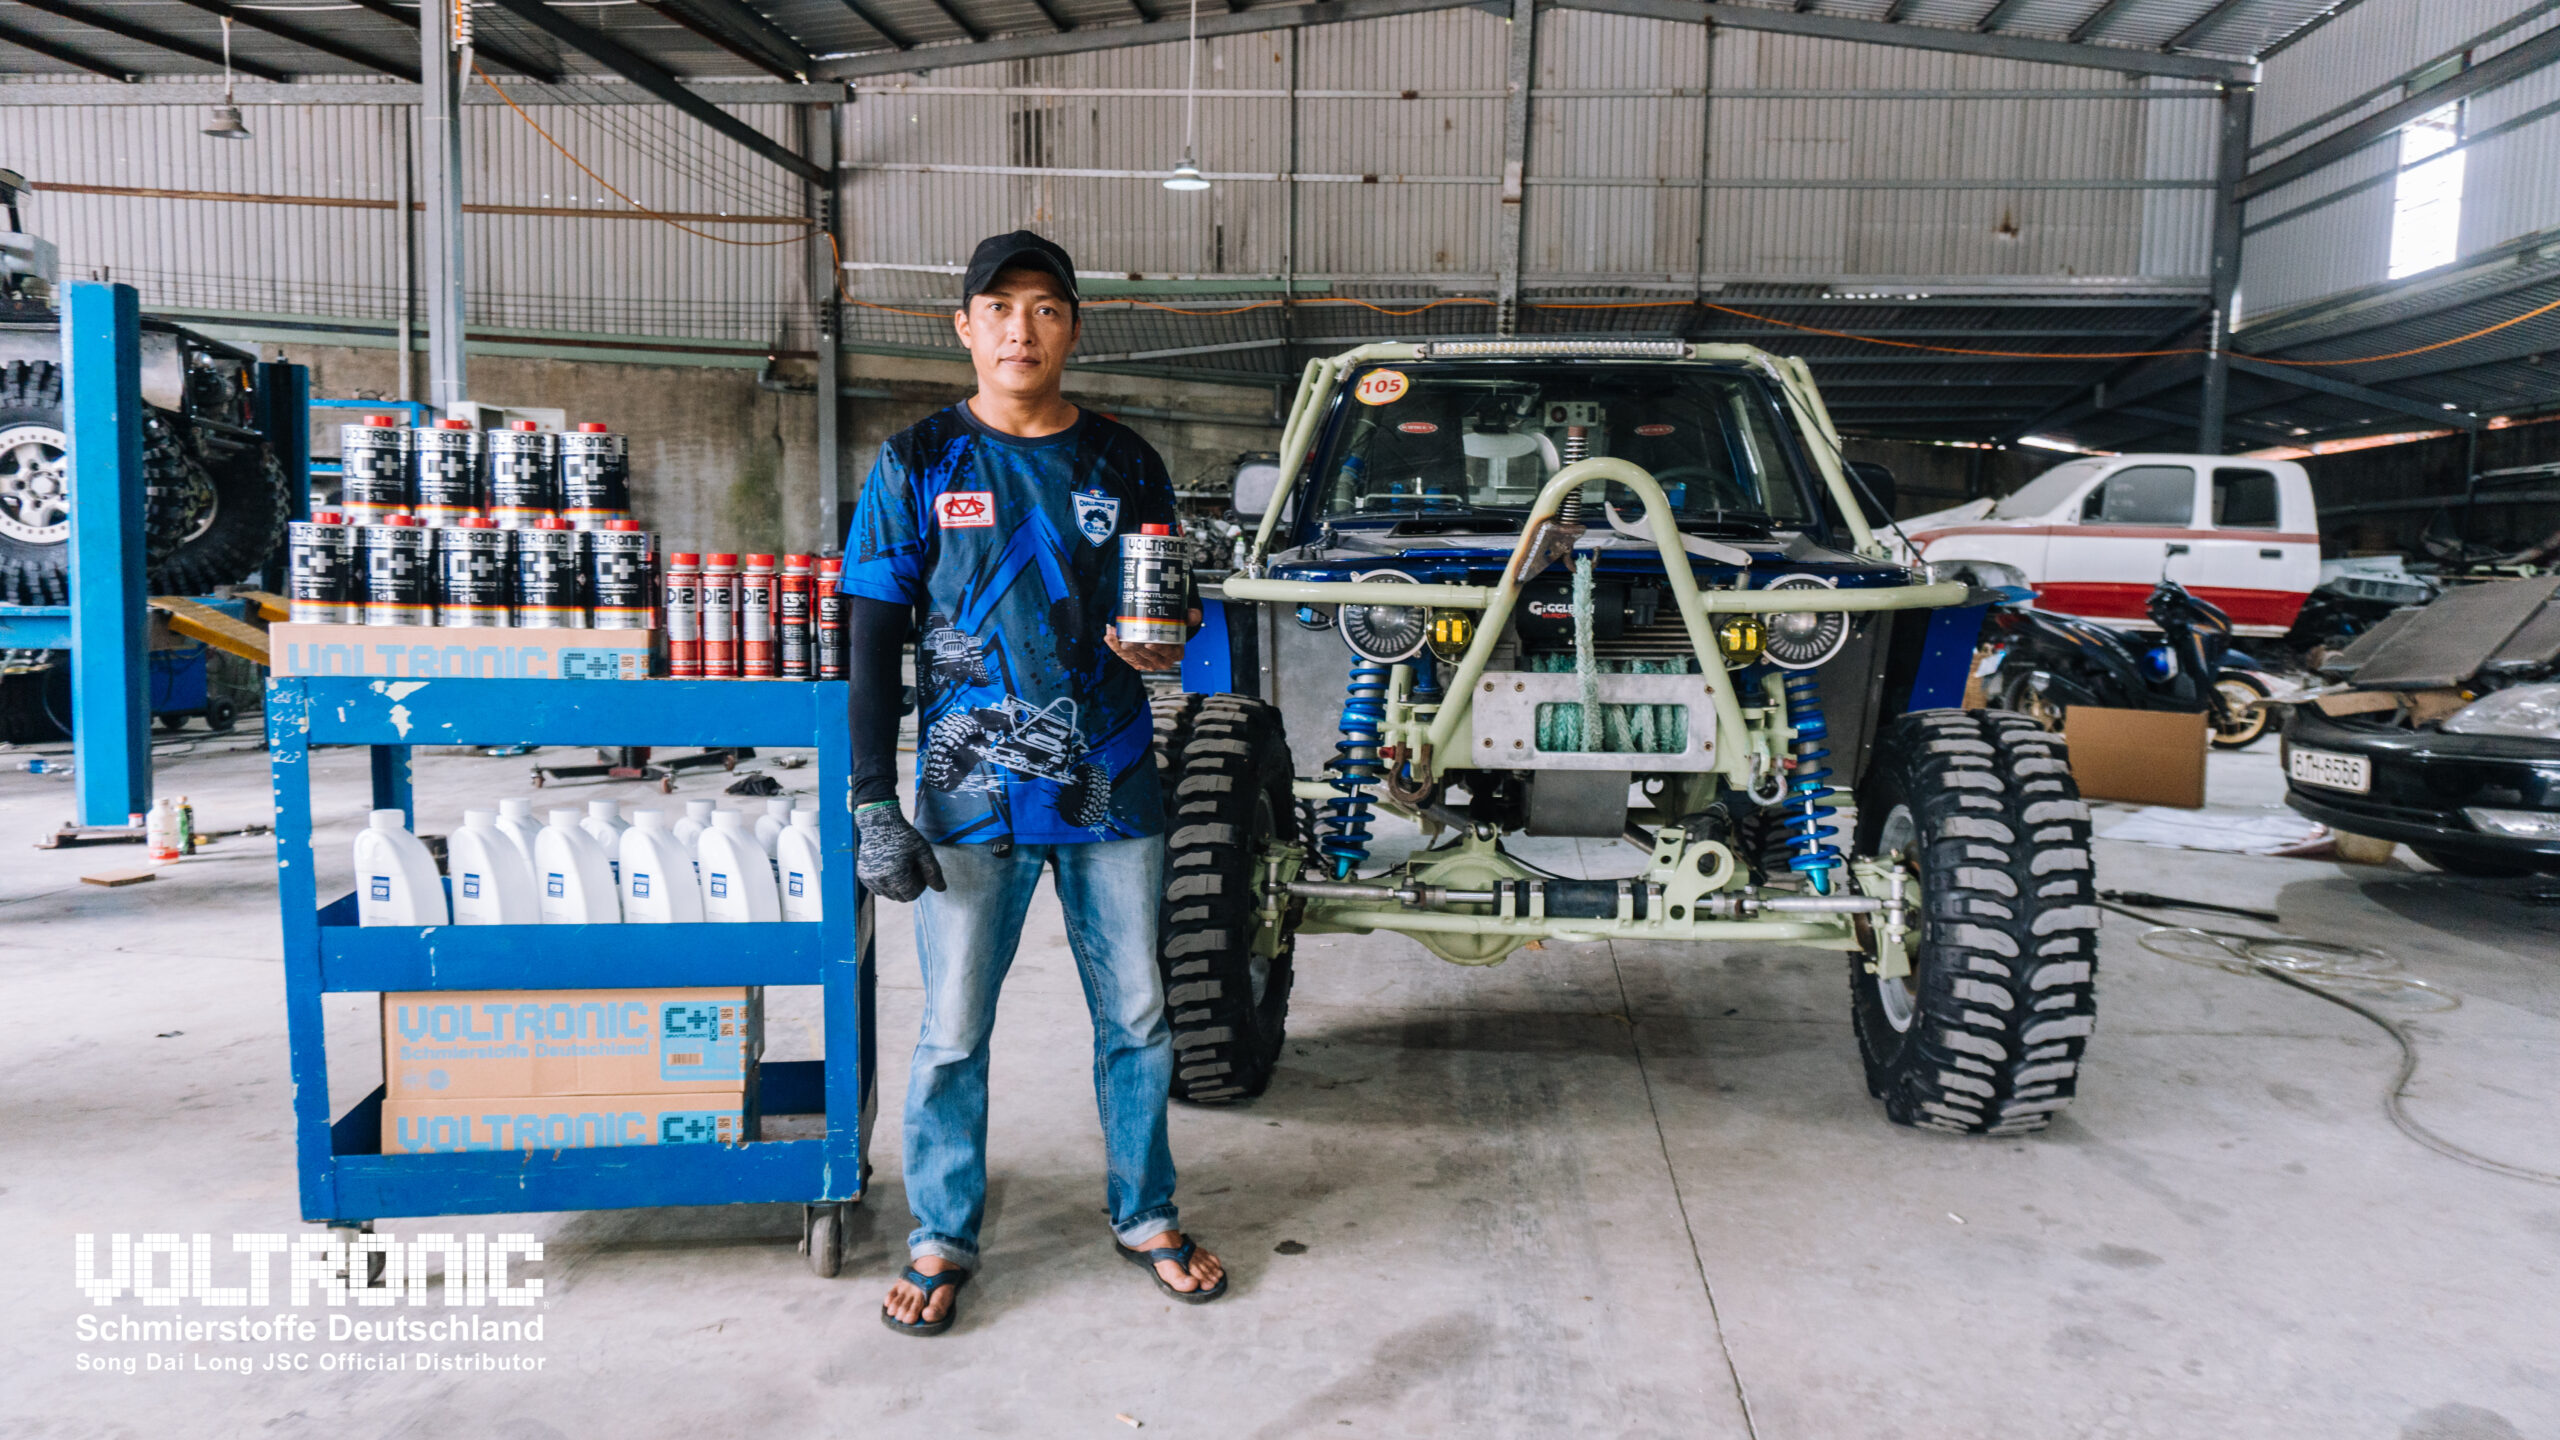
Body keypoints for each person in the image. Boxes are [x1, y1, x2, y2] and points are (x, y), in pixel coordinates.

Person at [839, 230, 1227, 1337]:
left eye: (1045, 308)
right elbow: (871, 637)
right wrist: (873, 798)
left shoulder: (1125, 460)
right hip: (969, 795)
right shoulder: (915, 461)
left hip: (1112, 781)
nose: (1022, 329)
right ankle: (941, 1232)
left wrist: (1168, 639)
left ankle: (1146, 1212)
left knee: (1139, 1016)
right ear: (964, 327)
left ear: (1072, 328)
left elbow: (1169, 606)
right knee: (953, 1027)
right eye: (1000, 308)